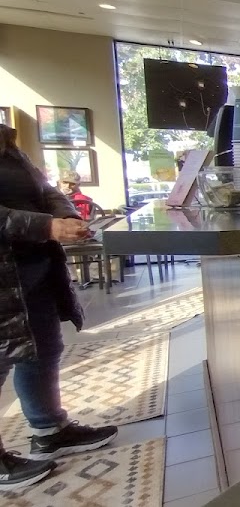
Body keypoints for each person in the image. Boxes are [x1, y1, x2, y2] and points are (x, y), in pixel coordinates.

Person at [0, 124, 118, 490]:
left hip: (32, 268)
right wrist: (46, 227)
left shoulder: (7, 144)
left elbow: (45, 189)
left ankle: (49, 430)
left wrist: (67, 217)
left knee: (43, 349)